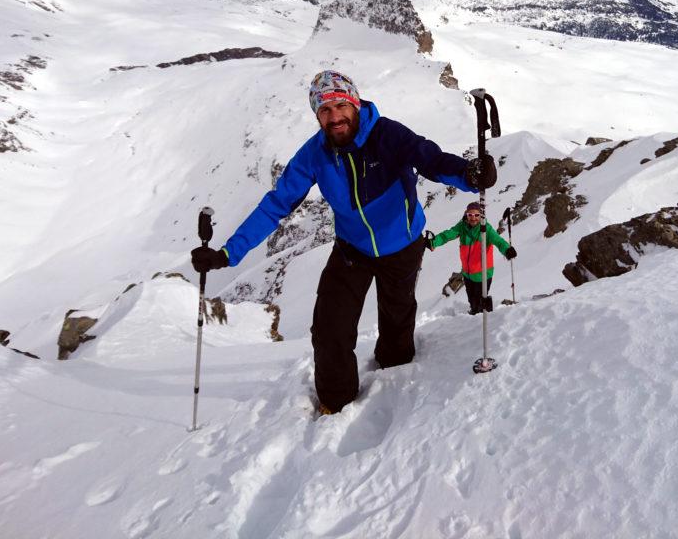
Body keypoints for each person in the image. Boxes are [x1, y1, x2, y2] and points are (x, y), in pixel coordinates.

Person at [190, 70, 496, 415]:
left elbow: (430, 159)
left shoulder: (387, 135)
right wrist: (228, 253)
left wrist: (469, 175)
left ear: (354, 102)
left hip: (402, 245)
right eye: (324, 110)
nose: (334, 116)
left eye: (340, 105)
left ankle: (394, 382)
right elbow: (277, 203)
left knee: (397, 322)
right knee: (329, 327)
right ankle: (335, 403)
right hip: (353, 248)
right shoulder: (315, 153)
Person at [426, 202, 516, 315]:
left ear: (481, 215)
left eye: (476, 215)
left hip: (482, 274)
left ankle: (481, 318)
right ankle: (475, 312)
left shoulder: (485, 229)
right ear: (466, 215)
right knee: (471, 299)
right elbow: (447, 235)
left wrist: (507, 249)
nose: (473, 218)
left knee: (479, 303)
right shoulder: (462, 226)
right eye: (470, 215)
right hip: (467, 273)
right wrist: (433, 242)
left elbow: (498, 241)